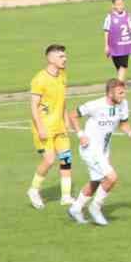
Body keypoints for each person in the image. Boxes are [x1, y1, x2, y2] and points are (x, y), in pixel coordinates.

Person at [69, 80, 131, 227]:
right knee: (111, 177)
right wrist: (81, 135)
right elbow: (73, 115)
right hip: (90, 149)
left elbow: (123, 123)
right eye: (120, 92)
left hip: (103, 150)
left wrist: (130, 132)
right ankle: (95, 208)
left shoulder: (123, 104)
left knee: (96, 183)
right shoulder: (95, 105)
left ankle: (76, 208)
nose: (123, 95)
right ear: (110, 93)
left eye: (124, 92)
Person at [27, 43, 80, 209]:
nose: (65, 59)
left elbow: (62, 100)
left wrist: (65, 120)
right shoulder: (39, 79)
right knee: (49, 160)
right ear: (50, 58)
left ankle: (65, 196)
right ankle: (33, 190)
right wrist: (40, 128)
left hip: (59, 127)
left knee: (66, 159)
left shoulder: (63, 75)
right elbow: (33, 106)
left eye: (65, 56)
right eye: (61, 56)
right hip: (44, 127)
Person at [102, 0, 131, 83]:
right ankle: (119, 85)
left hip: (125, 46)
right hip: (114, 47)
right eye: (118, 4)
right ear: (113, 6)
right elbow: (106, 31)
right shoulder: (110, 17)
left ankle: (119, 86)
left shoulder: (128, 16)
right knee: (119, 68)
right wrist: (106, 46)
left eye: (122, 4)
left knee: (123, 67)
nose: (120, 6)